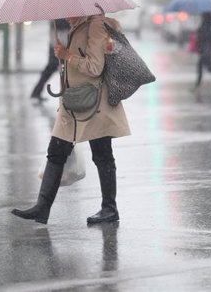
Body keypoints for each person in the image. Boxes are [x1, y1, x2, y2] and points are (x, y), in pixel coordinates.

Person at [12, 14, 131, 225]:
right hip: (74, 102)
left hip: (95, 103)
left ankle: (109, 209)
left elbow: (95, 67)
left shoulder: (94, 26)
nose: (65, 16)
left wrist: (68, 56)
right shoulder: (76, 26)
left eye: (69, 12)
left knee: (102, 154)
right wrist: (63, 57)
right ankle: (42, 207)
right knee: (56, 152)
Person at [30, 18, 70, 101]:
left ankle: (36, 92)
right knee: (52, 69)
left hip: (58, 44)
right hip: (58, 45)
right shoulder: (61, 15)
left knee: (53, 69)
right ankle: (36, 92)